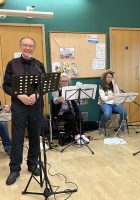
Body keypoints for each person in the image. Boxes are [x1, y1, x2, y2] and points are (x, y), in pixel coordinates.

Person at [3, 37, 46, 185]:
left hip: (36, 106)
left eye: (31, 46)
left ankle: (33, 164)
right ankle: (14, 169)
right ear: (20, 46)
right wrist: (18, 95)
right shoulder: (11, 64)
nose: (28, 48)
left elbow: (45, 85)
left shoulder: (39, 64)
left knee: (35, 135)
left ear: (34, 48)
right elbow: (6, 86)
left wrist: (37, 94)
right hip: (19, 106)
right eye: (25, 45)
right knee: (18, 137)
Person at [52, 73, 89, 144]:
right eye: (62, 81)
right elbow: (54, 101)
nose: (64, 83)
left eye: (66, 81)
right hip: (62, 111)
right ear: (59, 82)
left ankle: (82, 134)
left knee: (79, 116)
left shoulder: (71, 89)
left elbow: (77, 102)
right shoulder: (56, 90)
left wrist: (79, 97)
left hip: (72, 108)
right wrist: (59, 99)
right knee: (71, 118)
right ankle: (76, 135)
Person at [98, 70, 128, 136]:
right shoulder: (101, 86)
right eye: (108, 77)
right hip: (105, 104)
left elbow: (117, 94)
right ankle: (101, 127)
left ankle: (120, 128)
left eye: (111, 77)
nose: (109, 78)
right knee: (107, 114)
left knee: (124, 112)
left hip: (115, 103)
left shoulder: (115, 85)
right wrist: (110, 97)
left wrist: (114, 84)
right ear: (105, 78)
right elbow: (103, 98)